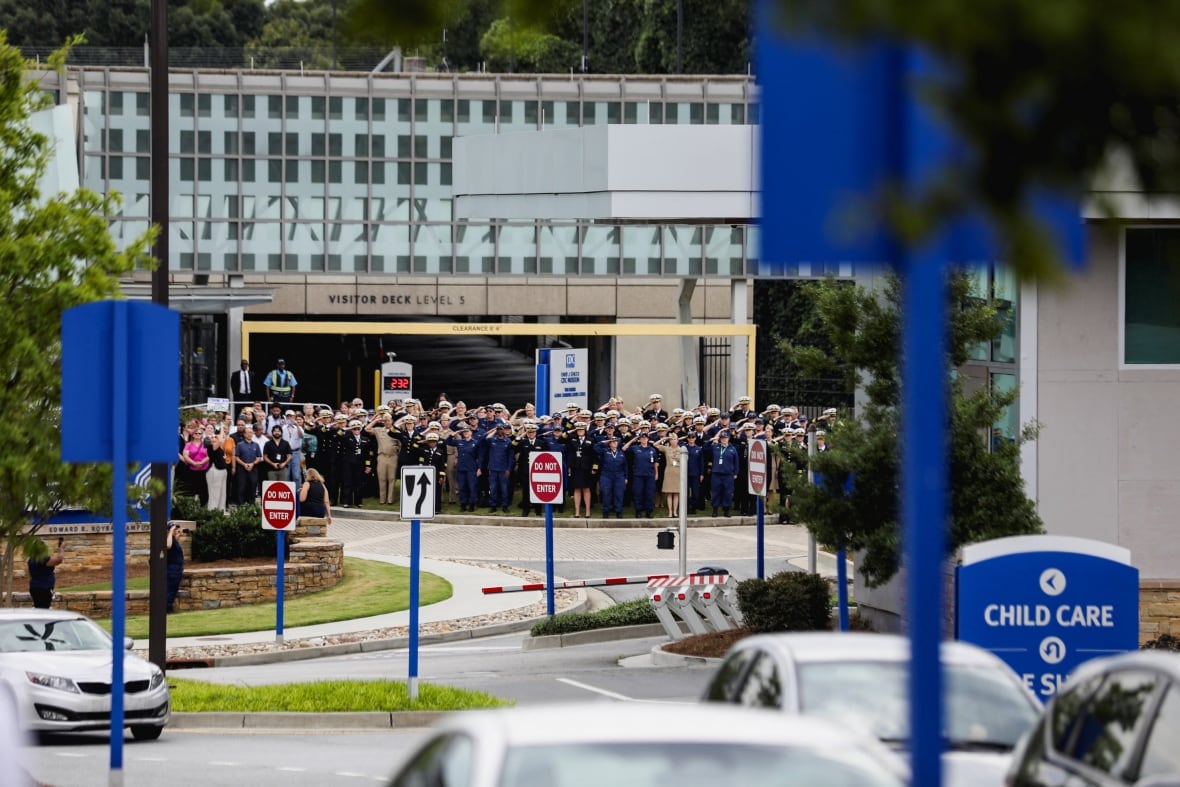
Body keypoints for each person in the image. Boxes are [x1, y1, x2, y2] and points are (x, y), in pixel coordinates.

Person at [25, 537, 63, 608]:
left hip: (34, 587)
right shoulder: (44, 559)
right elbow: (59, 560)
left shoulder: (31, 559)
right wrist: (61, 549)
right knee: (44, 608)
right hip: (44, 588)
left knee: (38, 607)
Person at [179, 426, 210, 506]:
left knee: (203, 490)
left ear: (202, 435)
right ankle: (190, 507)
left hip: (203, 470)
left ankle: (203, 507)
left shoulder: (205, 444)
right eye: (196, 433)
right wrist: (194, 463)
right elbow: (185, 455)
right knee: (191, 489)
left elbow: (209, 455)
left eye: (200, 433)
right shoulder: (188, 444)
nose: (198, 434)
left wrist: (202, 462)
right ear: (193, 435)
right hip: (191, 470)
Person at [656, 430, 684, 517]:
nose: (673, 441)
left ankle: (675, 512)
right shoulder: (667, 449)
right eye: (671, 439)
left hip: (678, 472)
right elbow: (655, 445)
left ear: (677, 440)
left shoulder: (682, 449)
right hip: (669, 472)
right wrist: (665, 438)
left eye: (674, 439)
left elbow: (684, 461)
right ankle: (670, 512)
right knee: (669, 493)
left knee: (676, 493)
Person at [166, 524, 185, 613]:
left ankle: (169, 606)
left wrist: (178, 535)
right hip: (173, 569)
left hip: (177, 568)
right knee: (171, 588)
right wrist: (170, 531)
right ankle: (167, 607)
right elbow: (168, 546)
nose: (176, 530)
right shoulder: (168, 539)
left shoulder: (173, 539)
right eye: (174, 529)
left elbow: (173, 544)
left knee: (173, 588)